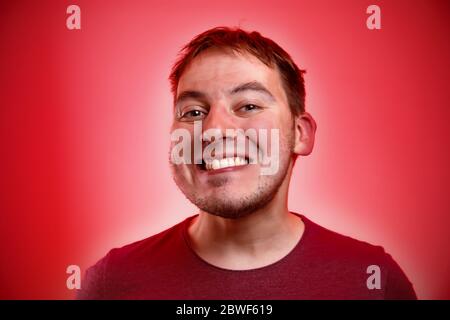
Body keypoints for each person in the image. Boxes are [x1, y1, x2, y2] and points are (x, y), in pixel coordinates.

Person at [77, 26, 416, 299]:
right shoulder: (113, 283)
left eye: (249, 106)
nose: (213, 131)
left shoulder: (371, 279)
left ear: (300, 133)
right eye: (193, 112)